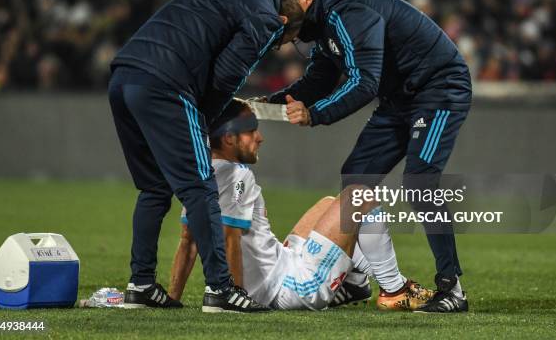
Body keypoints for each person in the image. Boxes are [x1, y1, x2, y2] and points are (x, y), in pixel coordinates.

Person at [264, 0, 472, 313]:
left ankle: (452, 289)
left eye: (282, 7)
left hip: (437, 88)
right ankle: (359, 280)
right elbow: (318, 79)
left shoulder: (348, 12)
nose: (280, 19)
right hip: (399, 98)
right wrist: (266, 104)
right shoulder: (326, 19)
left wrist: (314, 114)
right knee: (356, 181)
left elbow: (364, 82)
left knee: (420, 181)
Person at [108, 0, 304, 312]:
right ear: (283, 22)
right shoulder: (268, 18)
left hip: (123, 76)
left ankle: (140, 285)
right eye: (283, 42)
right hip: (166, 83)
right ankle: (221, 290)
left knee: (154, 187)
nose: (277, 47)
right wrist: (205, 117)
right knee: (201, 188)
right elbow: (229, 73)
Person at [168, 99, 434, 311]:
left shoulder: (203, 176)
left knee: (328, 204)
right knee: (359, 194)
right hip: (290, 287)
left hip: (282, 265)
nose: (260, 138)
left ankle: (354, 284)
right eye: (251, 131)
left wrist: (173, 299)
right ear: (228, 138)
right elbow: (229, 238)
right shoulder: (238, 175)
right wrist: (236, 298)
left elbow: (188, 241)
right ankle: (394, 289)